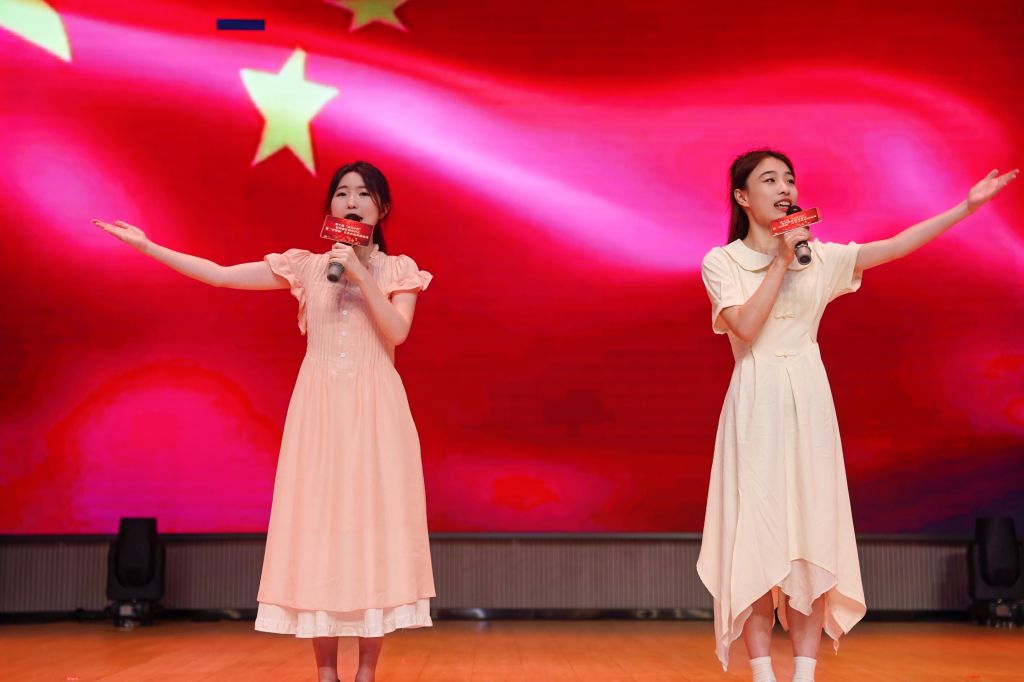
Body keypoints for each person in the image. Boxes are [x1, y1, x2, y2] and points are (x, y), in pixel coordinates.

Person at [93, 160, 436, 682]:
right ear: (330, 207)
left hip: (376, 414)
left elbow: (397, 332)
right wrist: (148, 246)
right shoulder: (306, 267)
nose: (351, 201)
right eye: (342, 193)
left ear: (381, 208)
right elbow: (220, 274)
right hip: (319, 413)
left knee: (373, 529)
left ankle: (366, 673)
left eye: (364, 194)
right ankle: (326, 673)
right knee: (318, 530)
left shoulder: (399, 269)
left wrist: (361, 274)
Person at [695, 149, 1017, 682]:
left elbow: (894, 246)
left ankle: (804, 675)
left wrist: (965, 208)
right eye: (770, 180)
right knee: (754, 538)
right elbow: (746, 327)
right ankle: (762, 675)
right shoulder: (722, 262)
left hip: (810, 406)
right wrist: (781, 260)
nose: (785, 188)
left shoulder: (820, 259)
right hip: (755, 406)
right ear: (742, 197)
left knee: (810, 540)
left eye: (790, 179)